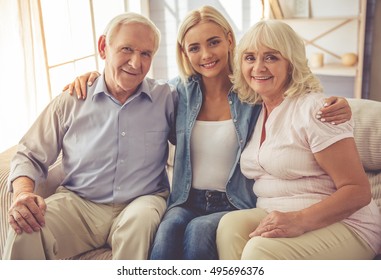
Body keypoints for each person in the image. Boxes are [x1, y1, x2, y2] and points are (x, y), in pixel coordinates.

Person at [65, 6, 352, 260]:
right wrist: (93, 76)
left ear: (229, 40)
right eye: (194, 48)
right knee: (167, 233)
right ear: (184, 53)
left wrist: (342, 105)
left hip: (234, 201)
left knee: (199, 233)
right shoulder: (176, 93)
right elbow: (132, 87)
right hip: (186, 199)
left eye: (213, 42)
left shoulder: (252, 90)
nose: (205, 55)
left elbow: (293, 94)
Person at [3, 12, 177, 260]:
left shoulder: (166, 98)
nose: (136, 63)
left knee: (141, 223)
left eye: (146, 53)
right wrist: (22, 194)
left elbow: (199, 121)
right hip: (79, 204)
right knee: (25, 230)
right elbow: (28, 153)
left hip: (141, 202)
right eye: (126, 49)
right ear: (103, 47)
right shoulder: (73, 99)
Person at [215, 20, 381, 260]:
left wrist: (299, 221)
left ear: (291, 63)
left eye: (271, 57)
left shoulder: (315, 110)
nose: (258, 67)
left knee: (258, 251)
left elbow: (358, 191)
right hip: (276, 212)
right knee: (229, 227)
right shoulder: (253, 110)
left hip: (348, 225)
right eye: (250, 58)